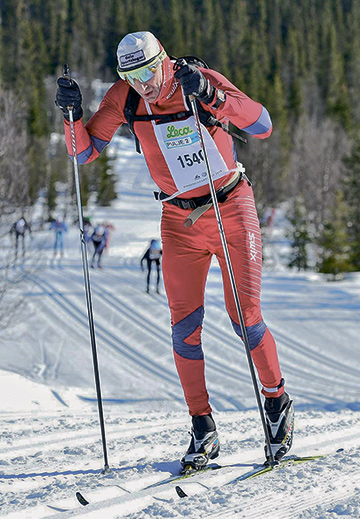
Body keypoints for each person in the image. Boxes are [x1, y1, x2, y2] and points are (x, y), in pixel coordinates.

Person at [55, 31, 293, 468]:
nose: (143, 83)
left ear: (163, 59)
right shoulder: (124, 98)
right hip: (179, 221)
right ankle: (202, 426)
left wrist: (214, 97)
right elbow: (84, 154)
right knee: (184, 329)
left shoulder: (197, 78)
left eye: (148, 71)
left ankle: (276, 402)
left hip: (231, 207)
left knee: (246, 318)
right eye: (132, 74)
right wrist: (72, 116)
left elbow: (262, 125)